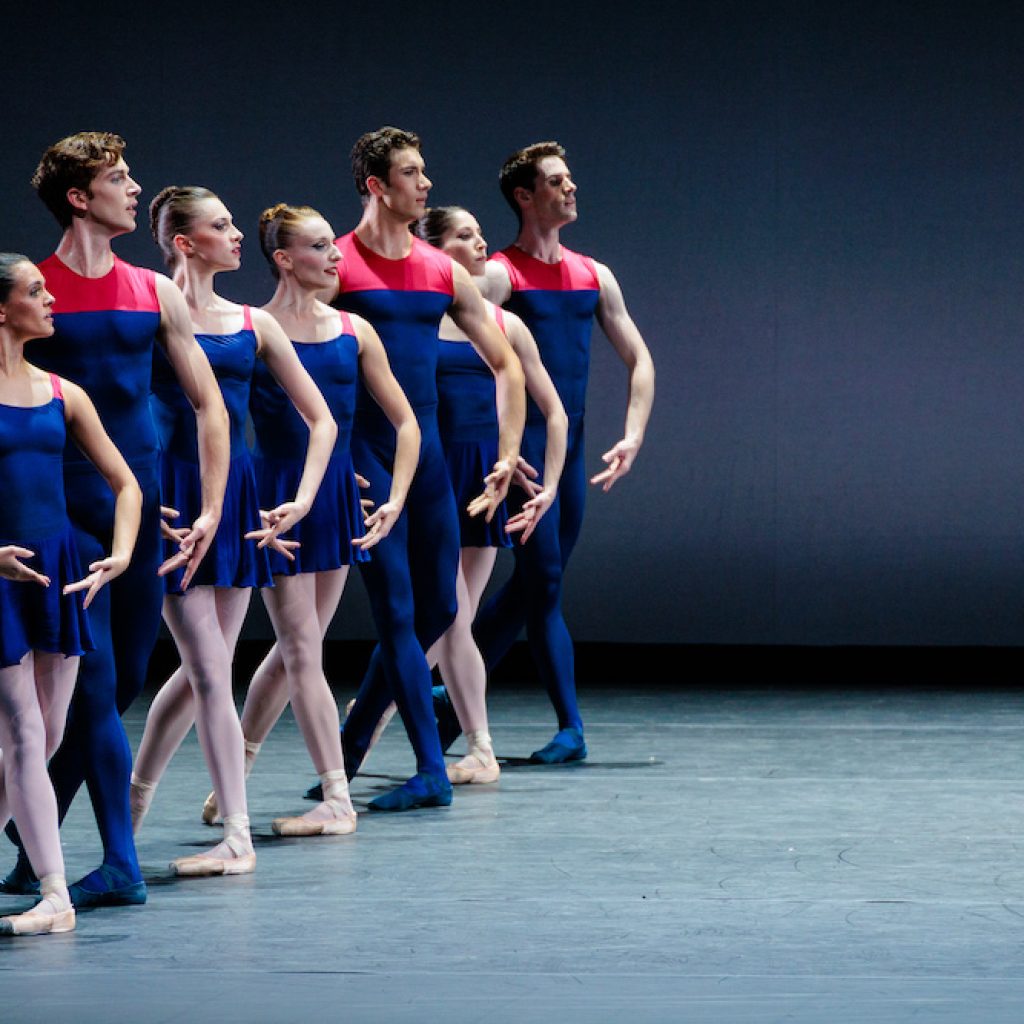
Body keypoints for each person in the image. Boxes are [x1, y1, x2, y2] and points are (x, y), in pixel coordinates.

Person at [1, 132, 229, 908]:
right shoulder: (40, 289)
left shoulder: (151, 289)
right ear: (78, 196)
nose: (135, 190)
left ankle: (30, 837)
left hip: (142, 502)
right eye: (119, 178)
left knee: (125, 678)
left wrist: (211, 507)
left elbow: (207, 403)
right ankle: (117, 866)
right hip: (66, 513)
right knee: (95, 687)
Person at [127, 188, 336, 874]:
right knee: (209, 667)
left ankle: (145, 802)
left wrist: (302, 500)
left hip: (238, 495)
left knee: (203, 670)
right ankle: (227, 831)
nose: (236, 235)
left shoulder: (253, 323)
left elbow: (322, 420)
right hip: (178, 494)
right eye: (220, 227)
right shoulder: (150, 314)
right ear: (185, 242)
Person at [197, 203, 419, 834]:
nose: (336, 256)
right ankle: (336, 795)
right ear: (285, 259)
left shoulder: (354, 330)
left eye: (333, 245)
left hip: (335, 499)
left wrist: (395, 499)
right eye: (321, 246)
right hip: (277, 502)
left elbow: (405, 422)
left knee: (303, 647)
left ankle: (239, 769)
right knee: (300, 648)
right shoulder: (256, 328)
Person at [323, 127, 525, 811]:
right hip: (366, 457)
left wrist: (504, 452)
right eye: (412, 172)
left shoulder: (443, 272)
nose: (426, 182)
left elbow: (506, 363)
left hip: (429, 455)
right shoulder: (338, 267)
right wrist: (325, 457)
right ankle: (428, 769)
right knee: (399, 611)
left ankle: (350, 749)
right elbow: (300, 361)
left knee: (440, 608)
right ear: (377, 185)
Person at [472, 141, 655, 763]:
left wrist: (632, 432)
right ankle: (570, 728)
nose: (571, 188)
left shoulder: (593, 274)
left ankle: (447, 695)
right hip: (525, 453)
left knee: (536, 586)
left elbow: (640, 359)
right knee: (542, 581)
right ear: (525, 197)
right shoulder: (501, 274)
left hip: (569, 451)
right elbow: (457, 346)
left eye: (570, 179)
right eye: (556, 182)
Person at [0, 253, 141, 935]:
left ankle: (48, 887)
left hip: (59, 570)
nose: (51, 299)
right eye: (35, 291)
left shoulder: (62, 393)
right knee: (24, 731)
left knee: (47, 734)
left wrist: (118, 552)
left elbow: (127, 484)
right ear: (3, 309)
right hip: (3, 575)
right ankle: (55, 894)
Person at [414, 207, 568, 784]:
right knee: (446, 616)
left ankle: (471, 745)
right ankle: (411, 719)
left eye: (481, 234)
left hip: (483, 475)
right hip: (432, 469)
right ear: (432, 249)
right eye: (464, 236)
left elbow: (553, 412)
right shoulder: (419, 323)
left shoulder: (505, 325)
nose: (481, 244)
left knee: (456, 616)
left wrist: (547, 486)